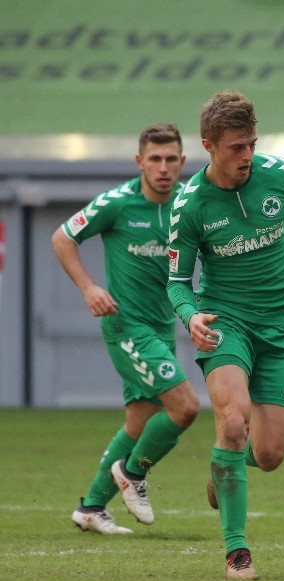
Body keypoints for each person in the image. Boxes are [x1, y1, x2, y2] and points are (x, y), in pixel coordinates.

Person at [166, 90, 284, 581]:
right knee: (232, 419)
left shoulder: (283, 177)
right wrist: (190, 316)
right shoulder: (190, 205)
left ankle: (226, 468)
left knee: (269, 454)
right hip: (227, 322)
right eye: (235, 147)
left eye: (251, 144)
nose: (246, 155)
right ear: (209, 145)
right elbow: (178, 281)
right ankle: (237, 552)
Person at [52, 124, 200, 535]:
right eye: (155, 159)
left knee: (140, 422)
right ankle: (133, 474)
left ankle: (91, 507)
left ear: (183, 162)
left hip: (162, 326)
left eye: (171, 159)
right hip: (126, 325)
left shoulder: (189, 203)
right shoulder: (116, 204)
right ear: (140, 162)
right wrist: (89, 287)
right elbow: (62, 238)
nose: (164, 167)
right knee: (185, 407)